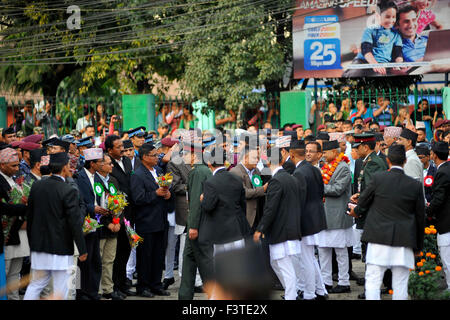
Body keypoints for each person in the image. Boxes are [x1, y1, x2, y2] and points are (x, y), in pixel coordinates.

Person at [349, 144, 425, 300]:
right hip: (404, 240)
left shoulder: (378, 179)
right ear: (405, 161)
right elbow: (420, 217)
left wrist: (355, 211)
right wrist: (418, 246)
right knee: (401, 283)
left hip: (378, 238)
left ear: (388, 160)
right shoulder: (415, 185)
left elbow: (362, 203)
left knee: (373, 281)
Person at [24, 152, 88, 300]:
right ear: (65, 167)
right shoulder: (68, 190)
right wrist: (82, 248)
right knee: (61, 287)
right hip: (60, 247)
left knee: (36, 285)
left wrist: (32, 243)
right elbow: (74, 222)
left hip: (39, 246)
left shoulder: (37, 186)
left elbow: (30, 216)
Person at [253, 147, 303, 300]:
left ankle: (291, 296)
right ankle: (292, 293)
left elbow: (270, 208)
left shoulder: (276, 181)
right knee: (279, 264)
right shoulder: (291, 178)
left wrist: (260, 228)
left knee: (283, 266)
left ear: (267, 162)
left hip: (281, 229)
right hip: (291, 227)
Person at [130, 143, 173, 298]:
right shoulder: (138, 175)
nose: (157, 157)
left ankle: (156, 284)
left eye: (157, 155)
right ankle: (143, 286)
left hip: (161, 219)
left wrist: (168, 195)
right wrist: (156, 193)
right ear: (144, 157)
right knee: (145, 256)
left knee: (158, 255)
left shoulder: (159, 171)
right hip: (146, 221)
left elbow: (167, 191)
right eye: (154, 155)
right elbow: (138, 198)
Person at [289, 139, 328, 300]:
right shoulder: (313, 169)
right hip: (315, 216)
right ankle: (320, 290)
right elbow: (320, 193)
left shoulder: (300, 172)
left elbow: (299, 200)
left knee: (306, 258)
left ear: (291, 154)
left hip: (306, 219)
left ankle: (310, 293)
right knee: (310, 257)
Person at [317, 140, 354, 294]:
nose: (323, 156)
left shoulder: (343, 168)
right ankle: (325, 282)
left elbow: (337, 189)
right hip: (324, 216)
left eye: (325, 153)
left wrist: (318, 186)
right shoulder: (326, 166)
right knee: (323, 250)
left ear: (334, 152)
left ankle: (344, 282)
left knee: (340, 251)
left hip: (337, 217)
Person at [178, 143, 214, 300]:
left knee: (205, 263)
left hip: (198, 226)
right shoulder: (203, 170)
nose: (184, 157)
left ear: (194, 156)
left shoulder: (198, 172)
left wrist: (193, 226)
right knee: (188, 260)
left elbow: (195, 203)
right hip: (198, 225)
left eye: (186, 154)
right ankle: (184, 296)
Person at [200, 147, 250, 255]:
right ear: (224, 162)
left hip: (220, 233)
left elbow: (208, 207)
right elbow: (243, 205)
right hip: (237, 230)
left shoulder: (210, 182)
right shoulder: (236, 179)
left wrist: (203, 200)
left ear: (210, 163)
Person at [75, 148, 108, 300]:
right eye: (100, 162)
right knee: (83, 259)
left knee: (95, 259)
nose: (102, 164)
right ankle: (81, 292)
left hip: (97, 222)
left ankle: (93, 291)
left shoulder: (98, 178)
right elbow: (79, 201)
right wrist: (91, 207)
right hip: (84, 222)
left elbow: (102, 195)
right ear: (92, 163)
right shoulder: (79, 177)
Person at [104, 135, 135, 297]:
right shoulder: (107, 165)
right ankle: (114, 285)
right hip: (117, 213)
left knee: (126, 250)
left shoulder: (128, 161)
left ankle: (123, 283)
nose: (122, 149)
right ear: (109, 150)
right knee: (114, 253)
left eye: (122, 145)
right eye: (118, 147)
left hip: (129, 213)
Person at [343, 1, 403, 77]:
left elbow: (398, 52)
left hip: (383, 65)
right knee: (354, 74)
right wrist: (374, 64)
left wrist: (399, 63)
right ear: (378, 15)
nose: (391, 20)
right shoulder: (370, 30)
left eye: (393, 17)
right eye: (387, 17)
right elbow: (366, 49)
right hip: (363, 61)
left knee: (377, 76)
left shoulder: (396, 35)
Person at [0, 148, 29, 300]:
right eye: (13, 166)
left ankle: (14, 297)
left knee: (14, 272)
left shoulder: (17, 178)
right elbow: (3, 207)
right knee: (4, 271)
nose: (17, 169)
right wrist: (24, 208)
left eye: (18, 165)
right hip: (7, 233)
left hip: (20, 233)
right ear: (2, 165)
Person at [95, 154, 123, 300]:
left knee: (109, 260)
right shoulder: (95, 180)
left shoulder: (113, 181)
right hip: (100, 227)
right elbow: (96, 207)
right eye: (109, 163)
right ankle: (97, 289)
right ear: (100, 165)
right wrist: (108, 223)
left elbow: (119, 203)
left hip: (114, 227)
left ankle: (108, 288)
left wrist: (117, 221)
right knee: (98, 260)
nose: (112, 166)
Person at [425, 141, 450, 292]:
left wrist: (427, 211)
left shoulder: (442, 172)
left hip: (446, 222)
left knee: (447, 261)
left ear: (433, 155)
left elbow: (439, 199)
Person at [230, 147, 268, 229]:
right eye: (254, 158)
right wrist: (263, 189)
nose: (257, 160)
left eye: (258, 158)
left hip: (258, 216)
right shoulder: (235, 172)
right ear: (245, 158)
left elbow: (257, 187)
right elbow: (245, 192)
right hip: (245, 216)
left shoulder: (257, 171)